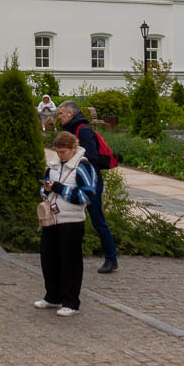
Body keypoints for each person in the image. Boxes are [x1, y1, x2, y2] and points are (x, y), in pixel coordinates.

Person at [35, 131, 96, 317]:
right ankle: (52, 296)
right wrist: (45, 191)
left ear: (73, 148)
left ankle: (71, 301)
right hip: (52, 219)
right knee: (48, 258)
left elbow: (87, 196)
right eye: (58, 151)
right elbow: (45, 186)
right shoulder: (52, 165)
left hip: (72, 221)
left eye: (63, 152)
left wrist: (59, 188)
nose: (60, 155)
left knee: (70, 263)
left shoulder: (83, 166)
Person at [56, 100, 118, 274]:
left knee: (98, 220)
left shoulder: (82, 131)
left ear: (70, 113)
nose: (59, 117)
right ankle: (66, 255)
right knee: (71, 218)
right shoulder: (70, 131)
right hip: (77, 180)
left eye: (61, 113)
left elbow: (91, 158)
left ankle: (111, 259)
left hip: (90, 182)